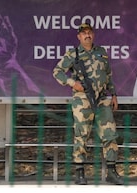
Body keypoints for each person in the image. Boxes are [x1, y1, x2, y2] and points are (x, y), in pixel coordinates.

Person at [52, 23, 123, 185]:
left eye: (89, 32)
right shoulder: (73, 54)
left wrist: (113, 94)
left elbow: (108, 75)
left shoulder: (101, 52)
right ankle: (80, 172)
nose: (87, 35)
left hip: (103, 100)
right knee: (81, 135)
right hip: (82, 100)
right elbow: (57, 72)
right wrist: (72, 83)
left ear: (93, 35)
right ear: (79, 37)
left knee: (110, 135)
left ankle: (111, 172)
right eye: (83, 33)